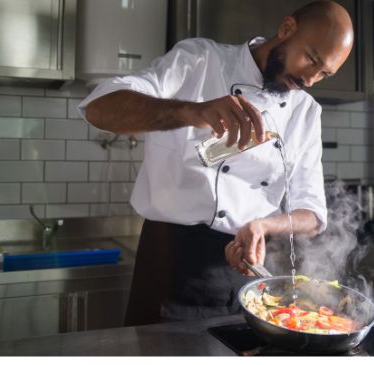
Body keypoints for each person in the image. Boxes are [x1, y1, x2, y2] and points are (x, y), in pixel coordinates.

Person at [77, 0, 354, 325]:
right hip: (169, 261)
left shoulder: (304, 111)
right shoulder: (200, 60)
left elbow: (312, 215)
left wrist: (264, 226)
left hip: (246, 269)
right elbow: (99, 108)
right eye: (311, 59)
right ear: (286, 28)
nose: (310, 79)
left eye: (324, 73)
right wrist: (192, 111)